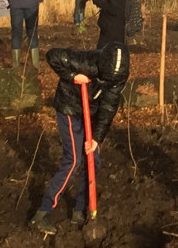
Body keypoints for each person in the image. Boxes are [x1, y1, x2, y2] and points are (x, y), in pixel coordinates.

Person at [34, 38, 128, 231]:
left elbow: (109, 107)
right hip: (69, 108)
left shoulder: (117, 78)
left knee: (94, 160)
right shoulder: (85, 60)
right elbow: (52, 55)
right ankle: (42, 213)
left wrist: (96, 139)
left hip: (90, 114)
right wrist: (73, 75)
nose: (111, 82)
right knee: (74, 159)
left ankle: (80, 209)